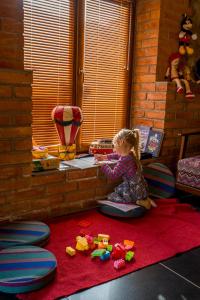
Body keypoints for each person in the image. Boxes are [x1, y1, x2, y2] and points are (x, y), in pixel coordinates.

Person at [95, 128, 152, 210]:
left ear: (121, 143)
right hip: (140, 188)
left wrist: (103, 165)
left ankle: (138, 202)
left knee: (111, 196)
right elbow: (118, 155)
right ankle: (143, 198)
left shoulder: (125, 160)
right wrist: (106, 156)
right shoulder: (130, 154)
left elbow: (113, 175)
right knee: (118, 190)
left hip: (133, 190)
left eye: (115, 146)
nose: (114, 149)